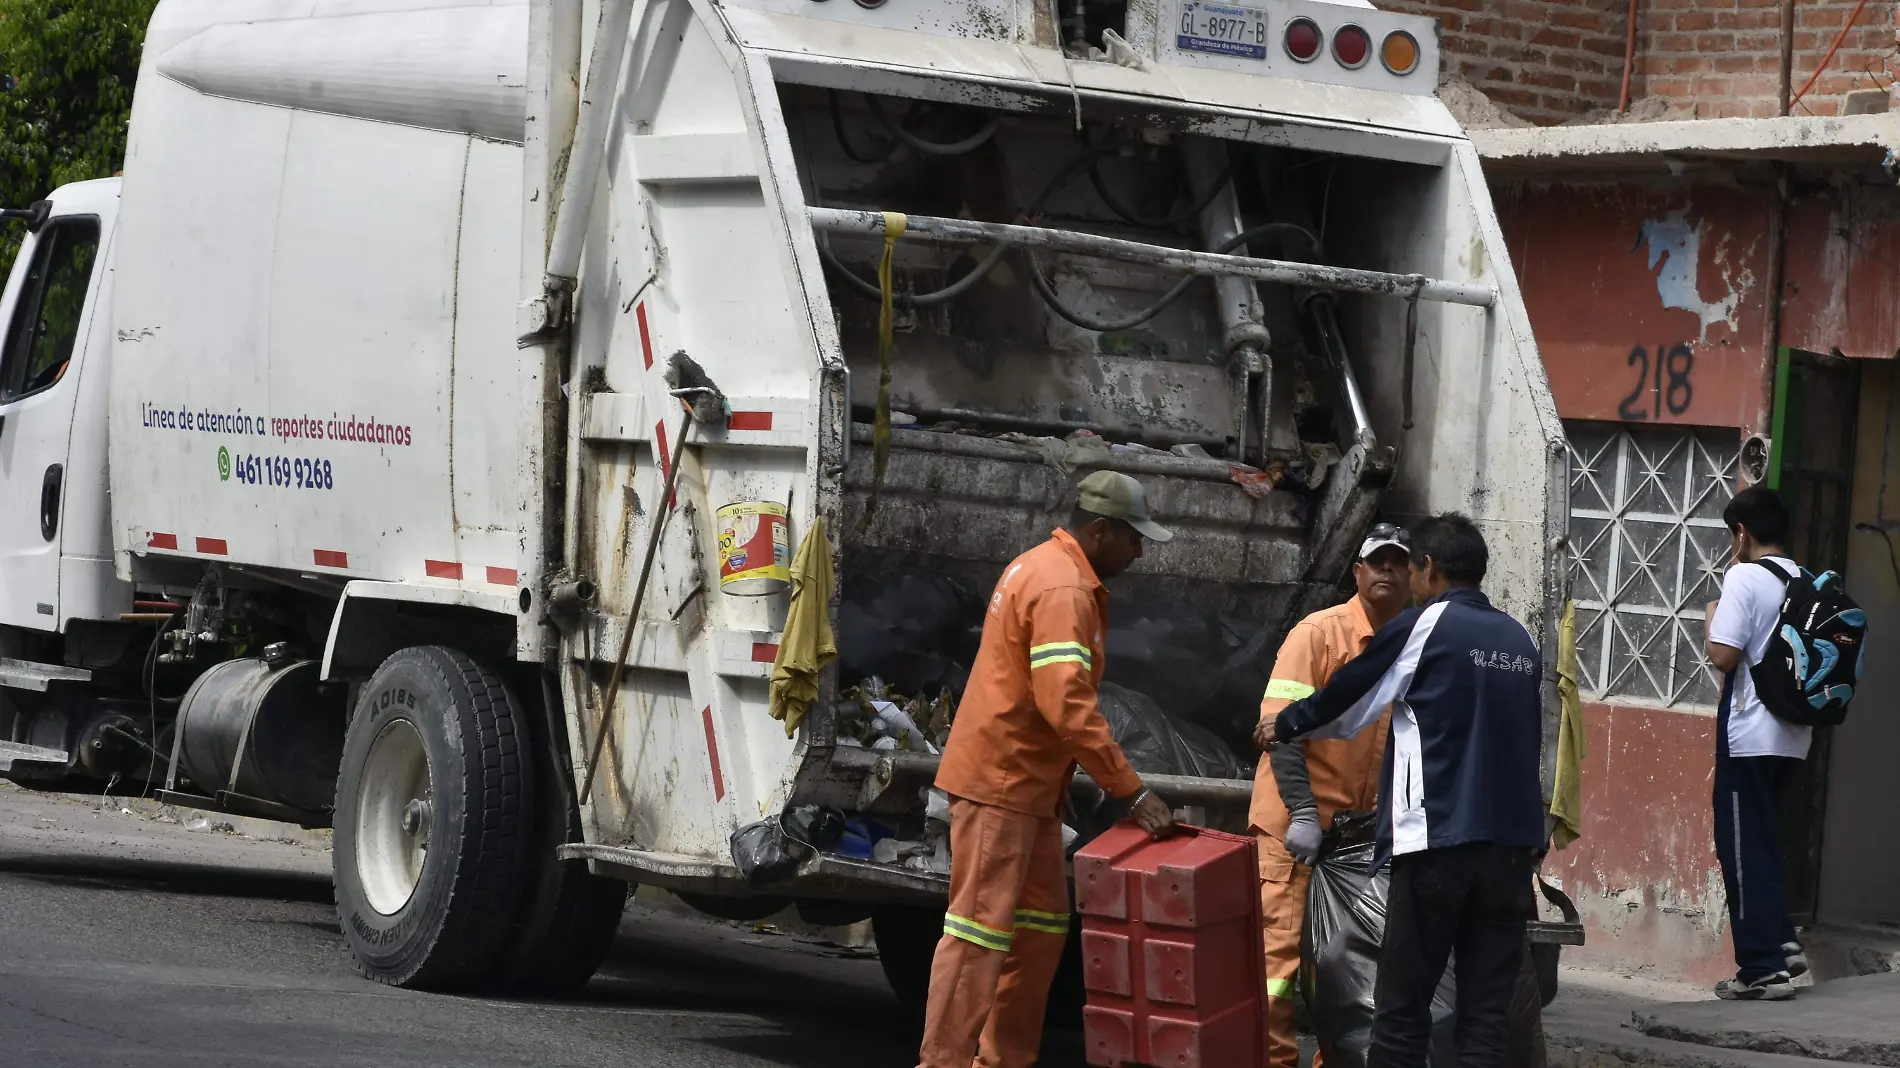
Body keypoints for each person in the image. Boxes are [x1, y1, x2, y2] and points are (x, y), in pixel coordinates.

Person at [921, 469, 1178, 1068]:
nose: (1140, 551)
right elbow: (1066, 703)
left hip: (1027, 787)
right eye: (1134, 537)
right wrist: (1131, 791)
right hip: (1003, 782)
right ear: (1101, 530)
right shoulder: (1063, 589)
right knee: (978, 933)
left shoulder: (1044, 567)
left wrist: (1060, 783)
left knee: (1038, 929)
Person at [1269, 513, 1543, 1068]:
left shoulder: (1427, 625)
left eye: (1411, 566)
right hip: (1511, 853)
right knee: (1485, 1017)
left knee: (1399, 1009)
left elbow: (1351, 699)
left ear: (1429, 569)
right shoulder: (1519, 639)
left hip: (1438, 844)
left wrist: (1285, 724)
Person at [1249, 523, 1414, 1068]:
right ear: (1358, 572)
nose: (1388, 571)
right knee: (1276, 972)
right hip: (1294, 834)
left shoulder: (1411, 648)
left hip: (1356, 842)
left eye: (1399, 563)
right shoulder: (1319, 635)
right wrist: (1302, 813)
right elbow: (1278, 727)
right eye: (1378, 562)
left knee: (1346, 973)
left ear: (1414, 575)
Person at [1704, 486, 1810, 1001]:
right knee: (1763, 840)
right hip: (1794, 735)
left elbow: (1723, 656)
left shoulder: (1744, 575)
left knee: (1741, 847)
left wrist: (1711, 617)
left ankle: (1762, 968)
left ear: (1741, 533)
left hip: (1749, 732)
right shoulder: (1803, 579)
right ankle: (1783, 940)